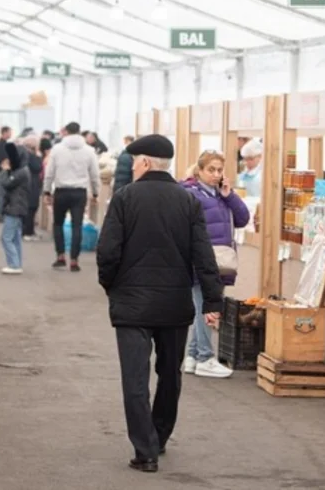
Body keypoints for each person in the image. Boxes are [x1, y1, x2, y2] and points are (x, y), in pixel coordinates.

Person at [96, 134, 223, 472]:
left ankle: (145, 450)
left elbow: (108, 251)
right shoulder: (188, 201)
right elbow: (203, 255)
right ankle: (160, 436)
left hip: (132, 306)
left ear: (147, 162)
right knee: (170, 375)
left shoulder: (124, 198)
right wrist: (212, 301)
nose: (134, 165)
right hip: (174, 305)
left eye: (136, 160)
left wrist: (112, 286)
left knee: (135, 379)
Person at [178, 151, 250, 379]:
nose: (216, 174)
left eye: (220, 170)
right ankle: (205, 357)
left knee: (203, 306)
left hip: (219, 259)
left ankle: (193, 356)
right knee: (206, 307)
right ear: (199, 170)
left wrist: (229, 195)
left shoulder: (221, 194)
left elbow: (243, 219)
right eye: (211, 170)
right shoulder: (191, 194)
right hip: (201, 260)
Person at [42, 121, 100, 272]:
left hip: (61, 191)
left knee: (58, 224)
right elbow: (94, 174)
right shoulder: (89, 150)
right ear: (80, 132)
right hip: (79, 193)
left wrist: (47, 191)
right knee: (77, 226)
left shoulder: (57, 149)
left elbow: (49, 173)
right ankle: (74, 260)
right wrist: (95, 192)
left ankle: (60, 256)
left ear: (66, 132)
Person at [0, 142, 31, 275]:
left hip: (14, 208)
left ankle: (14, 264)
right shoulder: (23, 170)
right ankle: (16, 263)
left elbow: (6, 183)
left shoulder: (20, 172)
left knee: (6, 237)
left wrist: (4, 170)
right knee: (15, 237)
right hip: (18, 207)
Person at [20, 135, 43, 240]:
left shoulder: (23, 154)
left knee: (31, 208)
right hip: (31, 184)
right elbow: (37, 167)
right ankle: (27, 231)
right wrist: (38, 157)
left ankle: (29, 230)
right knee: (31, 208)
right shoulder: (30, 156)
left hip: (29, 184)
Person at [0, 126, 12, 223]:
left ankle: (0, 214)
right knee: (2, 194)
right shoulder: (2, 145)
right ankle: (0, 215)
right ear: (4, 132)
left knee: (3, 193)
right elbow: (4, 160)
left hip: (1, 170)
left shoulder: (2, 144)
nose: (11, 134)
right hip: (3, 171)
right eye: (9, 132)